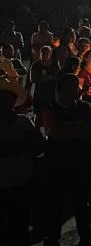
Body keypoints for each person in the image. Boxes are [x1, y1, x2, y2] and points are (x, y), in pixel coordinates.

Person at [41, 74, 91, 246]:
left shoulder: (85, 107)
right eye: (69, 88)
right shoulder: (50, 109)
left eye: (75, 87)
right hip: (58, 162)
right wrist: (78, 127)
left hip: (82, 160)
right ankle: (52, 238)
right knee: (56, 201)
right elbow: (54, 133)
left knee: (82, 200)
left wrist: (66, 128)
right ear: (60, 90)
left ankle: (86, 234)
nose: (74, 91)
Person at [0, 85, 44, 246]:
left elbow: (39, 145)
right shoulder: (23, 123)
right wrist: (23, 144)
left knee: (21, 222)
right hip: (4, 181)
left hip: (23, 178)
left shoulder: (23, 120)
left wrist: (12, 146)